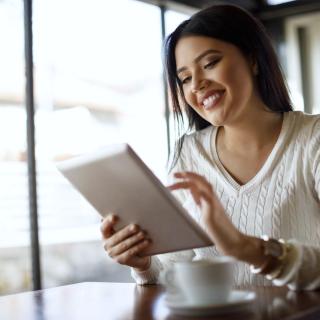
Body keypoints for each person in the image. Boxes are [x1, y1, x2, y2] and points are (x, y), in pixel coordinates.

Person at [100, 4, 320, 290]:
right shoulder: (188, 153)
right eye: (186, 78)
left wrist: (247, 248)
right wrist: (143, 263)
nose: (198, 85)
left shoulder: (312, 139)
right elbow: (171, 267)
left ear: (252, 59)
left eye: (210, 64)